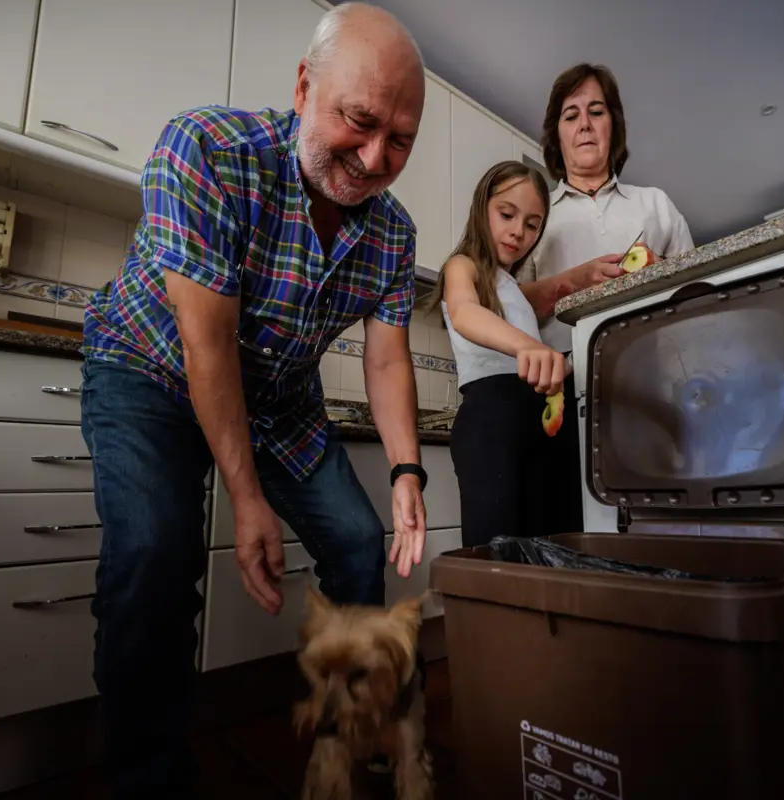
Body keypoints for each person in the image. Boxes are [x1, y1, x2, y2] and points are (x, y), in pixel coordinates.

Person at [79, 3, 429, 795]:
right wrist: (244, 499)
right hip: (148, 371)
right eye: (359, 121)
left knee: (353, 538)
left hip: (279, 402)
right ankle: (149, 776)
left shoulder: (394, 235)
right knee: (153, 554)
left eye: (400, 140)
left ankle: (348, 737)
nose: (375, 159)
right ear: (304, 88)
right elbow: (207, 346)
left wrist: (408, 471)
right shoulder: (204, 148)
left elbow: (386, 359)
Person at [518, 62, 696, 532]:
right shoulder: (536, 218)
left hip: (650, 398)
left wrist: (668, 277)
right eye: (571, 114)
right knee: (569, 534)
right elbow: (509, 305)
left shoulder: (656, 205)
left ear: (613, 124)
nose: (584, 124)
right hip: (561, 400)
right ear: (556, 135)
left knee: (655, 531)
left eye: (596, 111)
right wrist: (570, 282)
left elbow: (698, 301)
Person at [424, 161, 563, 548]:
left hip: (533, 422)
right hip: (490, 418)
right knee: (496, 552)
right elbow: (465, 312)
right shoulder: (461, 266)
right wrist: (529, 346)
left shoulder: (513, 287)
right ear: (481, 207)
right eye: (507, 214)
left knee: (542, 545)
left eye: (533, 224)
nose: (519, 231)